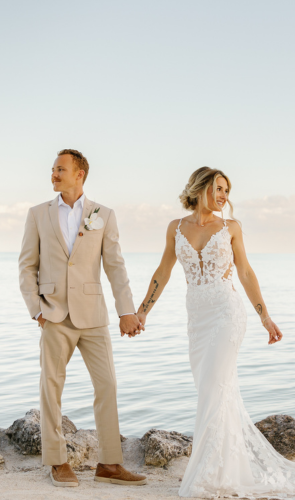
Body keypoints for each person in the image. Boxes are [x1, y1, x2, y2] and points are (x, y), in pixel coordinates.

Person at [137, 167, 295, 498]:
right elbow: (163, 271)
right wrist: (142, 312)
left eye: (226, 190)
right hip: (197, 319)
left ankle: (205, 473)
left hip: (227, 313)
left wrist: (266, 318)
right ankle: (227, 470)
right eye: (218, 188)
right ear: (199, 189)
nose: (224, 196)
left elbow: (246, 273)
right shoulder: (175, 228)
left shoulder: (231, 227)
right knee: (214, 392)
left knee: (213, 387)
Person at [18, 149, 147, 488]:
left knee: (107, 385)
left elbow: (115, 266)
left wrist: (126, 311)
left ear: (80, 174)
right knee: (51, 388)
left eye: (60, 169)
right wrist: (37, 309)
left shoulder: (103, 214)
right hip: (54, 315)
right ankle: (57, 461)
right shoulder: (37, 214)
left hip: (93, 316)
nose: (53, 174)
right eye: (52, 169)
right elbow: (26, 266)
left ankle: (109, 464)